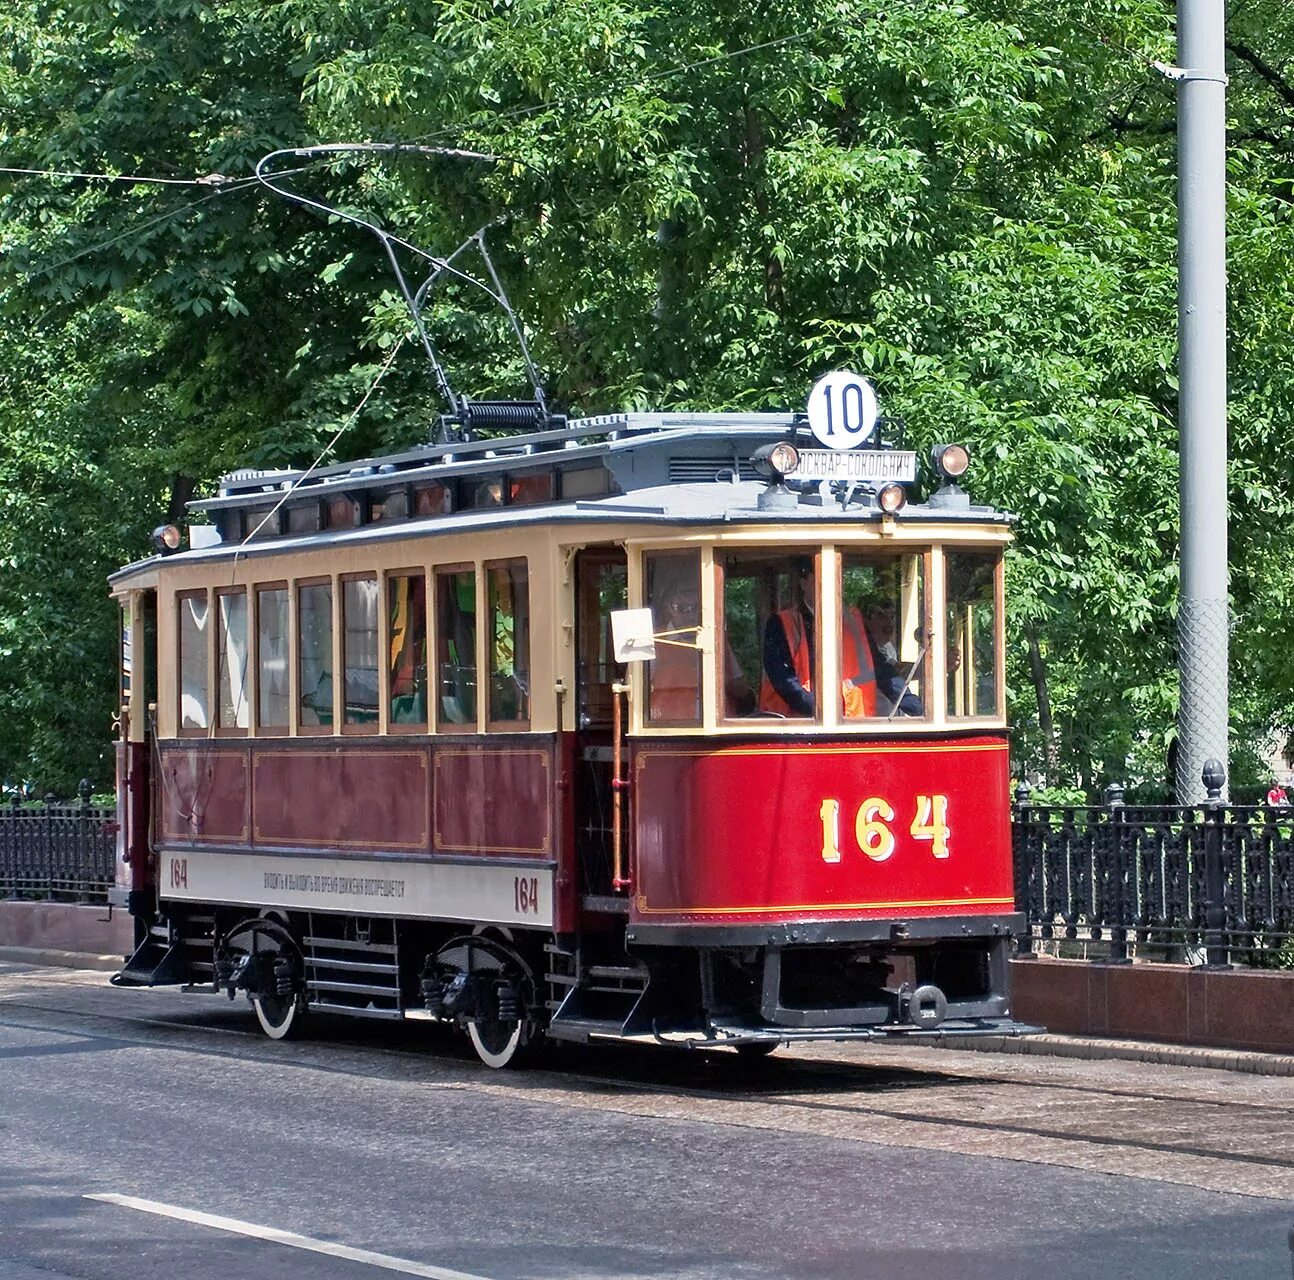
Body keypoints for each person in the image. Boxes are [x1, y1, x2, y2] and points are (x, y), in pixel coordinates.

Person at [759, 557, 876, 718]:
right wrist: (817, 708)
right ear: (803, 583)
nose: (828, 587)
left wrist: (914, 705)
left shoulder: (853, 622)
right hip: (791, 729)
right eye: (820, 580)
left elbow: (880, 669)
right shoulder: (781, 623)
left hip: (849, 724)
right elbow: (783, 678)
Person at [862, 598, 923, 716]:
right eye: (881, 616)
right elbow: (892, 676)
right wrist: (922, 710)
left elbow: (898, 669)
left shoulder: (887, 647)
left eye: (892, 617)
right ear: (865, 620)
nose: (889, 623)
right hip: (875, 725)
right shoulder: (866, 650)